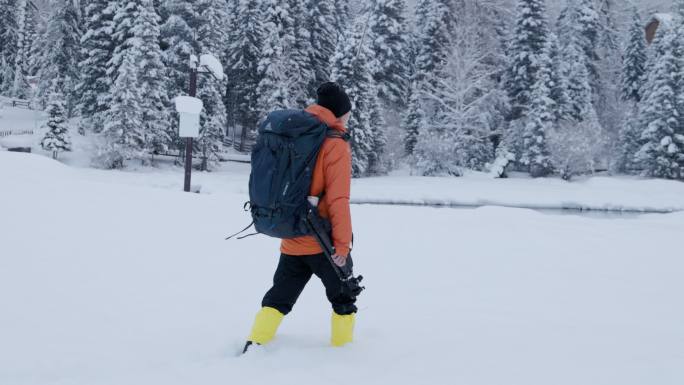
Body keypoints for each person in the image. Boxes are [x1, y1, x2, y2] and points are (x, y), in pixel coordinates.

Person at [243, 82, 356, 352]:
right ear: (340, 113)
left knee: (278, 297)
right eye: (348, 113)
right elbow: (339, 201)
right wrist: (341, 246)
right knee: (344, 297)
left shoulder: (296, 137)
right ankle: (346, 353)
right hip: (322, 242)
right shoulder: (335, 146)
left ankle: (255, 343)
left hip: (292, 235)